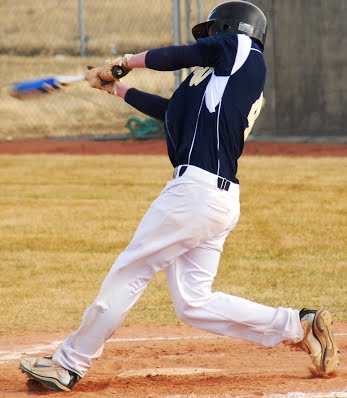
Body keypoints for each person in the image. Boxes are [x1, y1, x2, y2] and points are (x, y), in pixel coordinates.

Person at [20, 1, 339, 391]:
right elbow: (172, 111)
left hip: (195, 193)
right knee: (193, 302)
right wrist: (117, 88)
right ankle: (299, 324)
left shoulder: (243, 51)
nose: (208, 40)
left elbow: (180, 54)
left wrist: (126, 61)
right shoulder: (213, 78)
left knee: (131, 271)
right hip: (212, 198)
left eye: (213, 32)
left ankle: (68, 363)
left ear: (232, 28)